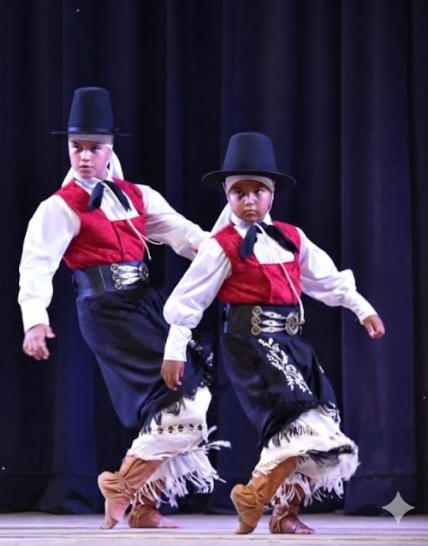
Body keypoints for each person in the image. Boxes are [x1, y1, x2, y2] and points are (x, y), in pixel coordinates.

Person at [19, 86, 226, 529]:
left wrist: (227, 254)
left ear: (110, 148)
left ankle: (142, 503)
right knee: (182, 394)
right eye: (77, 147)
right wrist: (35, 321)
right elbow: (36, 266)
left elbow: (186, 235)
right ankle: (123, 488)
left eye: (94, 147)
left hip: (143, 303)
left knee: (185, 394)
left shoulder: (137, 195)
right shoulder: (59, 208)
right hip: (105, 311)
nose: (85, 157)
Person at [161, 131, 385, 534]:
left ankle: (280, 511)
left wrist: (362, 309)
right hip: (250, 344)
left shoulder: (291, 238)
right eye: (239, 192)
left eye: (258, 191)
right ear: (228, 197)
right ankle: (256, 495)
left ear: (272, 193)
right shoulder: (222, 246)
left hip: (291, 343)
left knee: (322, 417)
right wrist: (175, 349)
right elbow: (189, 299)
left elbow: (328, 281)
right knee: (297, 419)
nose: (249, 200)